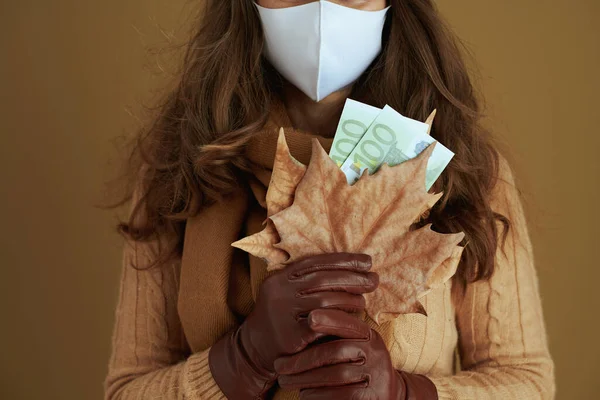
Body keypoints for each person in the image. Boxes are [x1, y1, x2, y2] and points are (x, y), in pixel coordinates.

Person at [104, 1, 555, 399]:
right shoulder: (178, 171)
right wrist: (241, 361)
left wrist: (405, 394)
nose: (321, 6)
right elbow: (127, 390)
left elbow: (527, 381)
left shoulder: (463, 170)